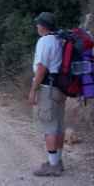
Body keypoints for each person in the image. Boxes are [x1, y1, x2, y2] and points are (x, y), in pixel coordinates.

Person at [29, 12, 66, 176]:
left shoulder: (45, 41)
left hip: (47, 88)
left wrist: (33, 90)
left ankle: (52, 166)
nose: (37, 26)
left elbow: (42, 68)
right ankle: (57, 160)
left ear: (43, 27)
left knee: (48, 125)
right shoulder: (61, 40)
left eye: (38, 24)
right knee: (58, 124)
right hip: (60, 88)